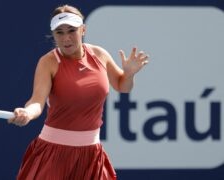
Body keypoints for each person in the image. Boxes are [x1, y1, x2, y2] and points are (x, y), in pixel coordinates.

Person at [8, 4, 149, 180]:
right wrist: (27, 113)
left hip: (91, 153)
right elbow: (37, 101)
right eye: (59, 32)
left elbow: (123, 86)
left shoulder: (99, 54)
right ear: (53, 34)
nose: (66, 38)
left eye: (71, 30)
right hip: (53, 153)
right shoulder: (48, 62)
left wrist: (128, 74)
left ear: (83, 30)